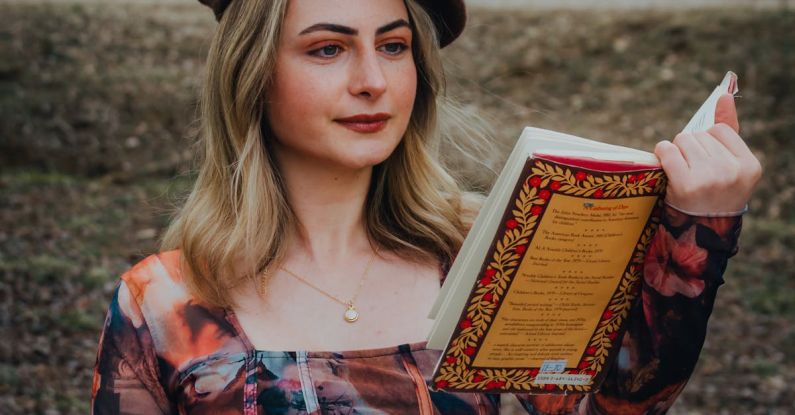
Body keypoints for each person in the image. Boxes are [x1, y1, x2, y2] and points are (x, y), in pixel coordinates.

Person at [90, 0, 762, 413]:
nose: (372, 81)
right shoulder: (164, 302)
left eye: (392, 45)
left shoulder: (495, 248)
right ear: (251, 73)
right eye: (327, 49)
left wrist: (698, 229)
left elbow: (619, 403)